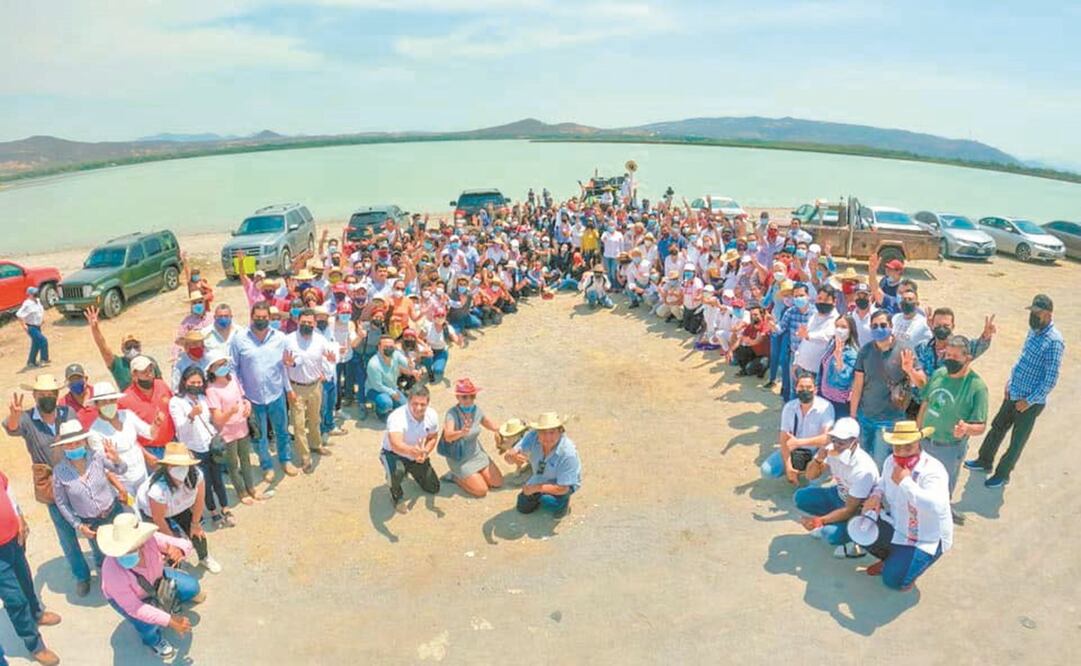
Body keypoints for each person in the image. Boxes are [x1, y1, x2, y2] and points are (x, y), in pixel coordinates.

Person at [3, 375, 93, 595]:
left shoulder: (67, 413)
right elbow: (10, 427)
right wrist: (14, 415)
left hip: (77, 476)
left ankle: (102, 561)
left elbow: (81, 439)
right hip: (53, 484)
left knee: (91, 522)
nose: (47, 398)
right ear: (34, 396)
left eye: (51, 394)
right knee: (66, 533)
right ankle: (81, 576)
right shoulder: (26, 418)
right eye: (42, 395)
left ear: (56, 395)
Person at [966, 294, 1065, 489]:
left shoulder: (1054, 341)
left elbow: (1051, 378)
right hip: (1012, 393)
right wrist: (1010, 383)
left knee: (1016, 441)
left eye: (1037, 313)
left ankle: (1002, 475)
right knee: (997, 428)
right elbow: (1023, 360)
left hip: (1028, 404)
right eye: (1032, 312)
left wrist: (1029, 401)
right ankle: (984, 461)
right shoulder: (1033, 331)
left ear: (1048, 314)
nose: (1033, 316)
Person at [861, 421, 953, 591]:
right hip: (900, 526)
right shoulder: (891, 461)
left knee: (894, 582)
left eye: (908, 448)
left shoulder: (933, 470)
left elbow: (936, 506)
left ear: (918, 444)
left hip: (927, 537)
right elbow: (882, 481)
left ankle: (908, 568)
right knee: (862, 529)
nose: (902, 453)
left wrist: (906, 482)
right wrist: (876, 495)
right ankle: (894, 560)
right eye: (897, 448)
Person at [98, 513, 203, 659]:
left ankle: (167, 603)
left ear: (140, 542)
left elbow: (185, 544)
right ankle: (153, 640)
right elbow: (136, 608)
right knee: (147, 624)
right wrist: (171, 621)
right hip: (135, 601)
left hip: (158, 580)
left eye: (131, 548)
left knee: (193, 587)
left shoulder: (151, 540)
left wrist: (179, 551)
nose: (126, 553)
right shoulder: (112, 571)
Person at [913, 336, 988, 525]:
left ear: (967, 358)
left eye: (955, 356)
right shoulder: (940, 373)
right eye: (948, 355)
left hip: (949, 448)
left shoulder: (977, 387)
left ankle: (940, 520)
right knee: (919, 483)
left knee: (941, 489)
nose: (950, 360)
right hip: (925, 442)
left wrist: (966, 428)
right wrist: (917, 432)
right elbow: (927, 402)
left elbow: (981, 426)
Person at [229, 301, 300, 479]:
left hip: (276, 394)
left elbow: (289, 362)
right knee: (259, 436)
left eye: (264, 318)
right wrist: (241, 395)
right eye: (257, 318)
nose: (261, 321)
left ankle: (285, 459)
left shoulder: (280, 338)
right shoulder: (239, 339)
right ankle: (266, 465)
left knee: (282, 430)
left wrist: (290, 373)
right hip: (252, 398)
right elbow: (233, 369)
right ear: (251, 317)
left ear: (269, 318)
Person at [0, 467, 62, 666]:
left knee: (25, 580)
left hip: (12, 540)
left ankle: (36, 613)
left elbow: (7, 490)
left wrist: (20, 518)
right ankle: (34, 644)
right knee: (15, 599)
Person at [50, 420, 127, 577]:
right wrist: (78, 525)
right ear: (63, 447)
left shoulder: (97, 457)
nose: (73, 446)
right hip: (92, 522)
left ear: (84, 441)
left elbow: (121, 470)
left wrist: (116, 459)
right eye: (69, 444)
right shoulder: (59, 472)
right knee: (103, 557)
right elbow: (62, 503)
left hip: (113, 512)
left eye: (77, 442)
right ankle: (111, 587)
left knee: (124, 548)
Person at [794, 418, 879, 558]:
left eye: (842, 442)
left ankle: (855, 540)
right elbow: (810, 475)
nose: (837, 445)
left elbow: (850, 509)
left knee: (830, 535)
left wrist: (819, 521)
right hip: (839, 494)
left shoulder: (863, 470)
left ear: (854, 442)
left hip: (857, 509)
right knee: (801, 497)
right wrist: (818, 459)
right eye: (834, 439)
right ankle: (836, 523)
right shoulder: (831, 450)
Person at [136, 442, 221, 574]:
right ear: (167, 466)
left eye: (183, 465)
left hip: (180, 505)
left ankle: (204, 557)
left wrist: (196, 523)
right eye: (175, 465)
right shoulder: (158, 489)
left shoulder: (196, 475)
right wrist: (173, 541)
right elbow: (159, 519)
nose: (180, 468)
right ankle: (176, 570)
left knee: (197, 533)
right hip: (154, 512)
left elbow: (199, 500)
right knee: (167, 546)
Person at [169, 367, 232, 527]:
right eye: (192, 382)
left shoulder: (204, 398)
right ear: (184, 382)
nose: (196, 385)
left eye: (199, 382)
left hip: (210, 446)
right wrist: (191, 416)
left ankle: (225, 508)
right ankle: (213, 511)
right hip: (194, 449)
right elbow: (181, 431)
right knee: (205, 483)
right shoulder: (177, 402)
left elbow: (211, 422)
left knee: (218, 479)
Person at [205, 352, 269, 506]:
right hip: (227, 432)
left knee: (246, 459)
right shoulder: (211, 390)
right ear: (211, 370)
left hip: (242, 426)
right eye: (218, 365)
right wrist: (230, 412)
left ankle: (251, 488)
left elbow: (242, 399)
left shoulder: (233, 379)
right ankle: (241, 491)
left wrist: (247, 405)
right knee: (233, 464)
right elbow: (217, 418)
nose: (223, 367)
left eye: (224, 363)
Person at [850, 310, 907, 468]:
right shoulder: (865, 351)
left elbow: (921, 382)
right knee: (862, 461)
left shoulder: (903, 350)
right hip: (865, 417)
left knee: (879, 463)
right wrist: (853, 416)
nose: (879, 328)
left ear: (891, 326)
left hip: (890, 420)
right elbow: (858, 385)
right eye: (874, 326)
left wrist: (910, 370)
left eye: (883, 325)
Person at [87, 380, 161, 498]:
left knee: (148, 507)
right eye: (104, 402)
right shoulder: (94, 432)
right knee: (133, 514)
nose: (109, 404)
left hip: (141, 473)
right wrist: (120, 488)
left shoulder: (127, 415)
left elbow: (149, 434)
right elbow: (104, 466)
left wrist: (156, 424)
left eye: (111, 400)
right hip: (123, 482)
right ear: (96, 405)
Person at [284, 309, 334, 472]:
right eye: (303, 322)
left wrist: (328, 369)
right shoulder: (289, 340)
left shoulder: (320, 340)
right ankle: (305, 458)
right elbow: (283, 367)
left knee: (314, 419)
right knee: (298, 426)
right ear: (298, 322)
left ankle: (316, 444)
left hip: (314, 387)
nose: (307, 325)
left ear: (314, 323)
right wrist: (288, 389)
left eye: (310, 323)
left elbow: (329, 358)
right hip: (296, 388)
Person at [760, 372, 835, 482]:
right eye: (801, 387)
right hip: (794, 449)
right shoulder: (789, 407)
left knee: (814, 483)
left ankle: (817, 473)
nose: (805, 390)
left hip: (817, 450)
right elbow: (784, 440)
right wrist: (788, 467)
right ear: (796, 389)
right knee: (766, 471)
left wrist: (799, 442)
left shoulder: (825, 407)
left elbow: (827, 439)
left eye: (809, 387)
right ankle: (795, 470)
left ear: (815, 389)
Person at [504, 412, 581, 518]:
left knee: (550, 502)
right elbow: (511, 455)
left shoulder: (568, 454)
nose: (547, 437)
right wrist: (510, 456)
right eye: (543, 432)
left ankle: (562, 504)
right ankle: (540, 494)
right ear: (537, 432)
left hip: (562, 483)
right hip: (541, 476)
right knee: (523, 508)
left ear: (560, 431)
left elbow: (563, 488)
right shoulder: (532, 436)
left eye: (552, 432)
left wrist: (536, 488)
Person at [439, 379, 504, 498]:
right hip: (460, 459)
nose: (469, 400)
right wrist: (461, 432)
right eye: (464, 397)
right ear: (458, 397)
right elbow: (448, 436)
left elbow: (490, 424)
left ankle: (474, 476)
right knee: (481, 491)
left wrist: (506, 429)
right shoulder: (452, 413)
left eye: (472, 396)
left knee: (497, 483)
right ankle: (455, 476)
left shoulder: (476, 410)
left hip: (476, 454)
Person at [379, 387, 440, 513]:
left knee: (433, 488)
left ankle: (408, 469)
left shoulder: (432, 415)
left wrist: (425, 452)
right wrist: (412, 451)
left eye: (422, 404)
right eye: (415, 404)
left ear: (428, 403)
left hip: (416, 454)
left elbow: (433, 437)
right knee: (397, 473)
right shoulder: (397, 417)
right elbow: (396, 444)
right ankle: (396, 494)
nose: (418, 408)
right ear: (408, 402)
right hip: (393, 453)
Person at [85, 305, 162, 390]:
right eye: (128, 347)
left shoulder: (149, 361)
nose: (133, 349)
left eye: (135, 346)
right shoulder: (118, 364)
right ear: (122, 349)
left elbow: (160, 383)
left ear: (140, 347)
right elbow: (103, 347)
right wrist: (95, 328)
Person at [118, 356, 176, 460]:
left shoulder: (162, 385)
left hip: (172, 445)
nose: (149, 375)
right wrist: (146, 455)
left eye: (150, 370)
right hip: (149, 452)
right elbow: (127, 435)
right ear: (134, 375)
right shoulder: (124, 401)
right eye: (144, 372)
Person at [818, 314, 860, 418]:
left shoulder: (851, 353)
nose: (839, 330)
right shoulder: (832, 344)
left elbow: (844, 381)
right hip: (824, 395)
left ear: (851, 330)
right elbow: (823, 366)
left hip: (839, 403)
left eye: (843, 327)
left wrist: (839, 361)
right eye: (837, 326)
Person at [365, 335, 409, 419]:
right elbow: (377, 386)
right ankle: (380, 412)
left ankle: (391, 408)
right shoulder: (373, 364)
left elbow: (406, 363)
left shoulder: (395, 354)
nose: (389, 349)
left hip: (392, 387)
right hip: (375, 390)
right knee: (386, 404)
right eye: (385, 346)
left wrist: (411, 364)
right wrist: (392, 393)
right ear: (379, 347)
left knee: (405, 408)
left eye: (391, 346)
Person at [15, 286, 49, 370]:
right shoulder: (27, 304)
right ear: (29, 294)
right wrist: (23, 325)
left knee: (36, 344)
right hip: (31, 327)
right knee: (43, 341)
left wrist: (42, 319)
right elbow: (19, 314)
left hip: (37, 326)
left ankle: (31, 362)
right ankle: (43, 360)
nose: (36, 294)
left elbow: (40, 311)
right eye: (34, 293)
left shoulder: (37, 301)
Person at [60, 362, 98, 429]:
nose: (75, 382)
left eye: (78, 378)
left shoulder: (97, 394)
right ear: (67, 383)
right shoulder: (63, 404)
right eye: (72, 380)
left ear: (86, 379)